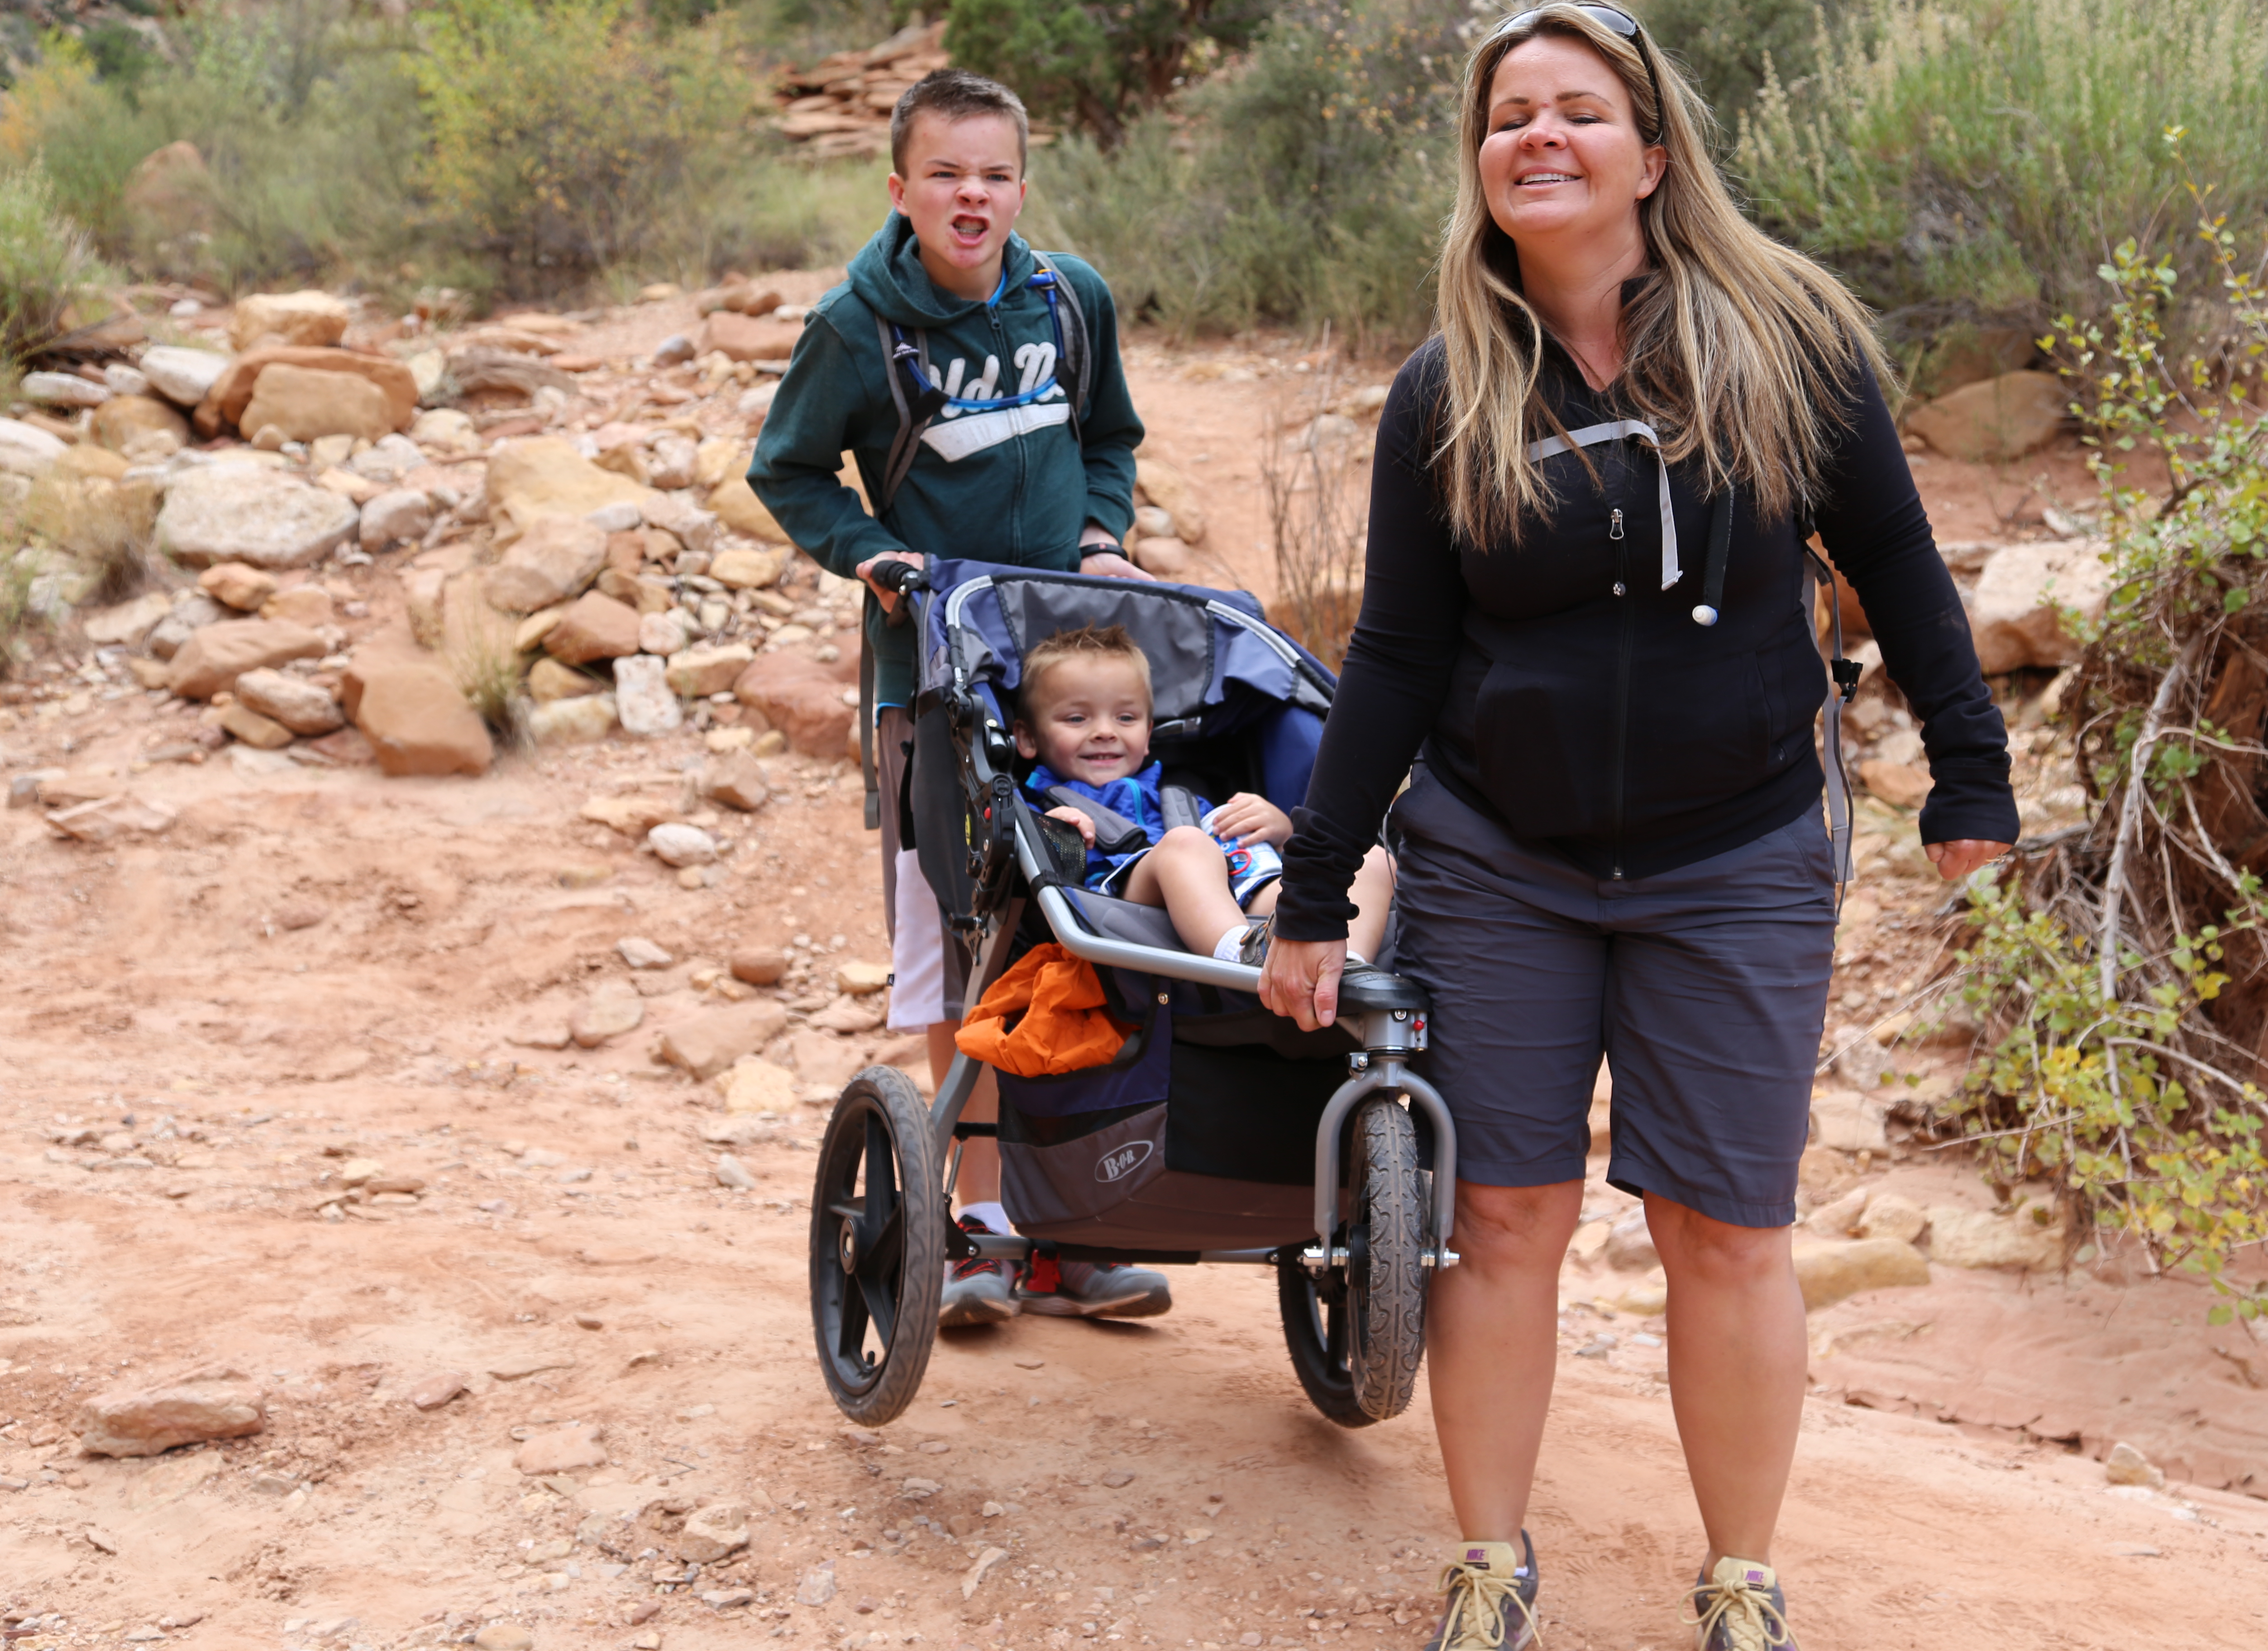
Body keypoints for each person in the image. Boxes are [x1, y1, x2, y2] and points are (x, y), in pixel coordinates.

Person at [1256, 9, 2018, 1651]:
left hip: (1735, 855)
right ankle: (1487, 1559)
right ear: (1479, 166)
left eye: (1576, 112)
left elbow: (1899, 569)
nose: (1537, 136)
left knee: (1726, 1227)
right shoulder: (1444, 389)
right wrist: (1311, 890)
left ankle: (1738, 1578)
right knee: (1510, 1210)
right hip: (1496, 855)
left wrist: (1969, 779)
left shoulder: (1789, 344)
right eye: (1506, 115)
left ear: (1651, 154)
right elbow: (1392, 651)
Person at [748, 66, 1171, 1327]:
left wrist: (1101, 535)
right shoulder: (857, 327)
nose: (969, 196)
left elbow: (1109, 438)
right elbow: (787, 471)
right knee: (959, 950)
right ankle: (978, 1232)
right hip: (931, 682)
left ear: (1021, 188)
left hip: (1069, 674)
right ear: (901, 188)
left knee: (1082, 927)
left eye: (992, 175)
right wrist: (869, 550)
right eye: (945, 174)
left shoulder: (1069, 300)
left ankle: (1071, 1222)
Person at [1013, 625, 1397, 963]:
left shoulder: (1177, 800)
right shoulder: (1042, 803)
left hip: (1229, 897)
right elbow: (1024, 873)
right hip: (1122, 905)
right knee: (1186, 843)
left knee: (1369, 860)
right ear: (1028, 739)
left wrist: (1282, 831)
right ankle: (1238, 955)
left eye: (1125, 718)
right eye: (1077, 718)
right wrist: (1054, 835)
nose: (1105, 731)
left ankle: (1348, 967)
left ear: (1148, 736)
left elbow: (1242, 855)